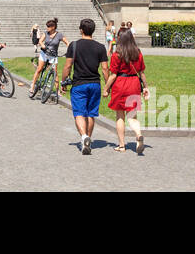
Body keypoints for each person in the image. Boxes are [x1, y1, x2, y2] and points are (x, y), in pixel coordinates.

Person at [61, 18, 108, 155]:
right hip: (95, 84)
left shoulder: (74, 45)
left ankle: (83, 137)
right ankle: (88, 139)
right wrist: (107, 86)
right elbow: (105, 69)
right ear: (93, 30)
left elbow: (68, 66)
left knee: (79, 113)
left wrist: (63, 81)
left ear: (81, 30)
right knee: (91, 114)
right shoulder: (100, 47)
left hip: (79, 84)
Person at [103, 26, 148, 154]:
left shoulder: (117, 54)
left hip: (121, 84)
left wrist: (106, 89)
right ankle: (138, 134)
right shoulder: (138, 53)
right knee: (132, 115)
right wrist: (145, 87)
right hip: (134, 83)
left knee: (120, 115)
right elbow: (142, 73)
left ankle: (122, 145)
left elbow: (113, 75)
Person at [31, 18, 68, 94]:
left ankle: (57, 91)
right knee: (39, 69)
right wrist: (42, 45)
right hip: (44, 53)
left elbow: (67, 42)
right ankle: (32, 86)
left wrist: (70, 48)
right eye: (47, 26)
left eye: (48, 27)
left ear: (53, 27)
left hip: (53, 55)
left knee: (55, 72)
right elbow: (40, 41)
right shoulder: (46, 33)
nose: (47, 28)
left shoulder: (59, 35)